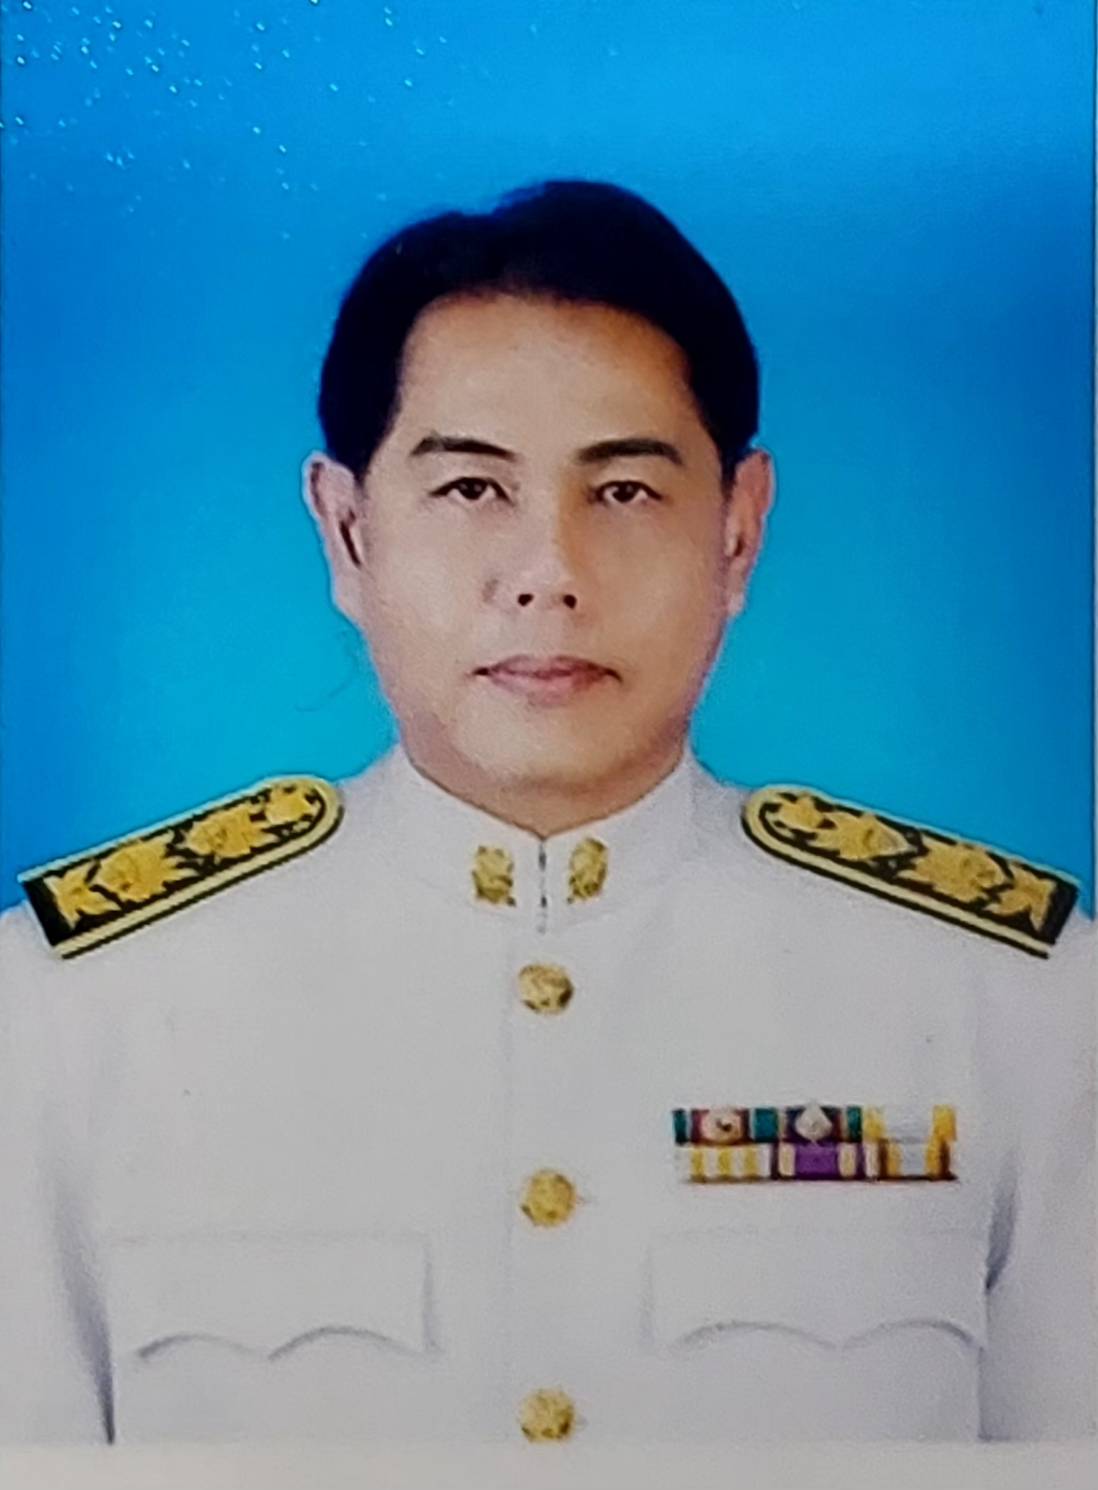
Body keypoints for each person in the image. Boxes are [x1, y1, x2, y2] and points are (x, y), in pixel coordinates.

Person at [0, 179, 1093, 1446]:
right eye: (471, 489)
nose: (550, 575)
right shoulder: (65, 1017)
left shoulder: (1020, 1008)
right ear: (348, 532)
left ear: (738, 534)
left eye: (623, 491)